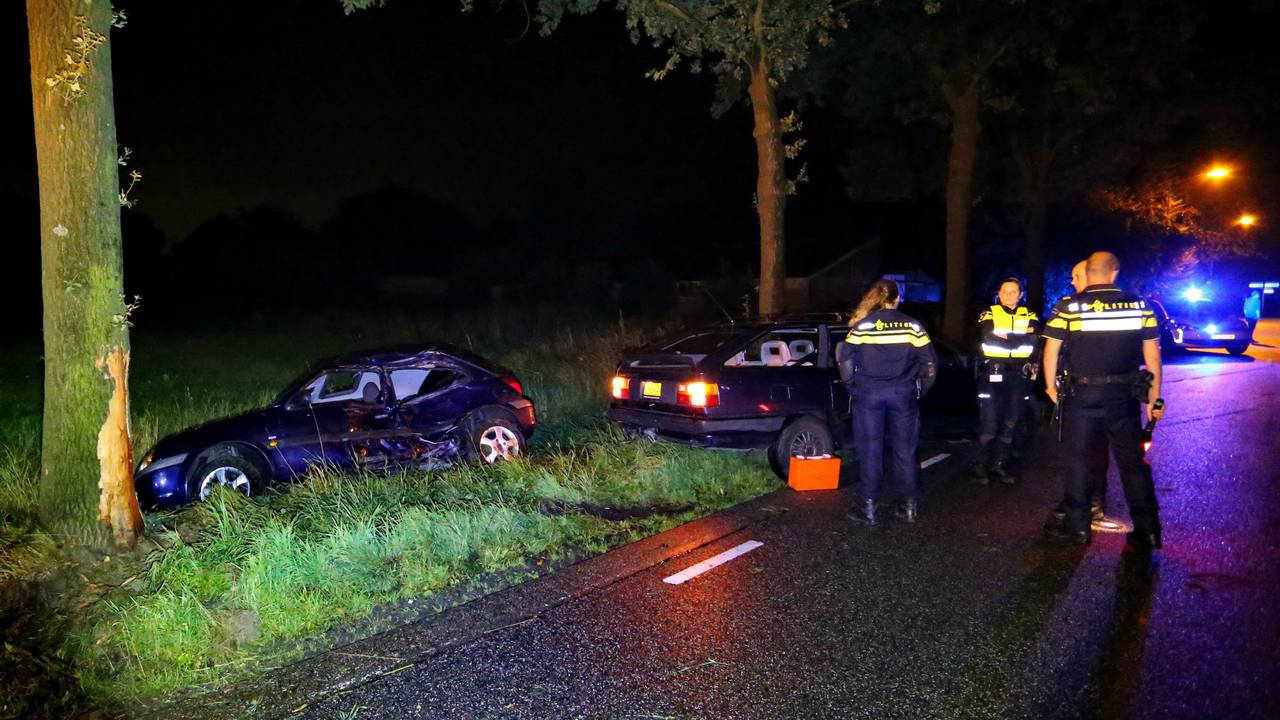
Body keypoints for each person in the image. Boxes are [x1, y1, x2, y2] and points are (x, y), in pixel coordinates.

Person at [1041, 251, 1165, 550]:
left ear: (1089, 272)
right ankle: (1148, 529)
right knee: (1133, 464)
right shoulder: (1139, 305)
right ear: (1114, 273)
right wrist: (1154, 397)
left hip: (1081, 397)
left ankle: (1078, 529)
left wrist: (1051, 388)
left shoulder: (1070, 307)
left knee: (1079, 462)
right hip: (1123, 398)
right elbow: (1152, 355)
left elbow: (1051, 351)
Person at [837, 279, 937, 525]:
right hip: (903, 395)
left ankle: (869, 509)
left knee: (870, 450)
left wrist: (854, 388)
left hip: (868, 395)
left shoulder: (862, 326)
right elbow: (930, 365)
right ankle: (909, 506)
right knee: (905, 450)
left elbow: (844, 360)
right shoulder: (913, 326)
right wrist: (918, 390)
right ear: (898, 298)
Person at [1047, 260, 1111, 526]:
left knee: (1091, 448)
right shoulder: (1067, 305)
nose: (1072, 281)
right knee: (1081, 448)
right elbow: (1053, 346)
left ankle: (1090, 502)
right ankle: (1082, 499)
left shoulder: (1105, 306)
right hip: (1077, 387)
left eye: (1075, 276)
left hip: (1096, 389)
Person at [971, 278, 1039, 484]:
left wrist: (1005, 336)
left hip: (1018, 375)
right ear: (998, 293)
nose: (1008, 295)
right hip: (993, 373)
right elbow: (988, 336)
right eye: (1004, 291)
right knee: (989, 423)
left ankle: (999, 464)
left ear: (1021, 294)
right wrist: (1018, 337)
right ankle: (980, 467)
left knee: (1011, 422)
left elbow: (1034, 338)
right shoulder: (989, 313)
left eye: (1013, 291)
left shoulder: (1030, 314)